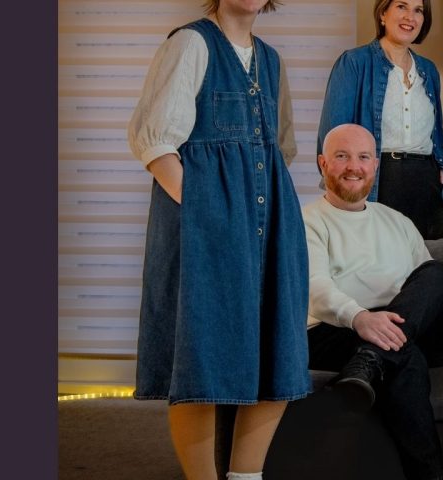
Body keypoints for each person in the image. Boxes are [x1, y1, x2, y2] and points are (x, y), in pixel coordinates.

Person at [125, 1, 308, 479]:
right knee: (202, 354)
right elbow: (154, 141)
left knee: (276, 348)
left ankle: (246, 476)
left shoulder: (271, 59)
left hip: (270, 224)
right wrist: (209, 210)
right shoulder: (190, 43)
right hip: (208, 227)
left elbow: (280, 147)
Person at [303, 124, 443, 480]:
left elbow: (430, 289)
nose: (353, 166)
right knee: (405, 353)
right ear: (324, 164)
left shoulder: (397, 221)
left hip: (397, 325)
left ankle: (372, 359)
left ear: (375, 166)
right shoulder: (305, 220)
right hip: (332, 331)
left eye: (363, 157)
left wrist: (385, 326)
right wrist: (359, 318)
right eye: (342, 157)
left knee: (437, 272)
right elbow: (314, 287)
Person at [318, 0, 443, 240]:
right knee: (379, 269)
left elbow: (437, 135)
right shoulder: (354, 63)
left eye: (418, 11)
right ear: (383, 13)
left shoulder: (429, 70)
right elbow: (334, 137)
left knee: (426, 269)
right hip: (379, 183)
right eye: (401, 7)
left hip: (427, 188)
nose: (410, 17)